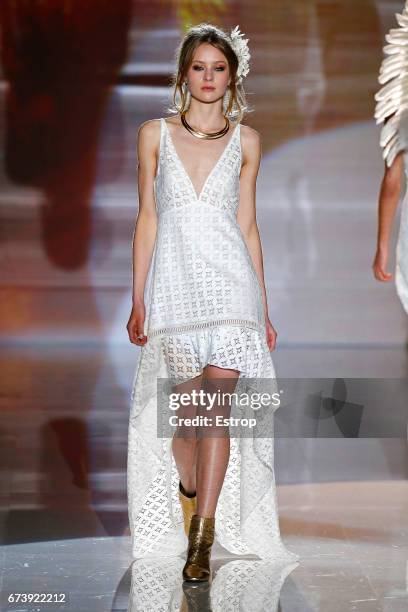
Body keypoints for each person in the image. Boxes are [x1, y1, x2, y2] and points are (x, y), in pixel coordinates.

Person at [126, 22, 300, 583]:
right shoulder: (153, 134)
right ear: (184, 74)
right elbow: (147, 219)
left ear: (232, 76)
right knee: (188, 416)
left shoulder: (247, 140)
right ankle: (188, 483)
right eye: (198, 67)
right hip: (174, 289)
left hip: (231, 288)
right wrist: (138, 299)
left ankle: (200, 543)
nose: (208, 78)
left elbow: (248, 227)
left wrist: (263, 307)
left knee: (216, 408)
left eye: (218, 68)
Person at [373, 1, 408, 314]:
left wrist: (383, 246)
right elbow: (393, 181)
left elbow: (393, 182)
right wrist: (383, 246)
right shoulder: (400, 110)